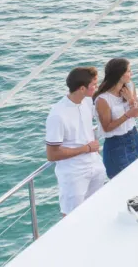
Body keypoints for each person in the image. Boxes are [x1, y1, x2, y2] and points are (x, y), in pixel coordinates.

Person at [45, 66, 106, 216]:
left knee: (97, 208)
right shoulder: (58, 115)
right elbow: (52, 155)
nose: (96, 87)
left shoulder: (87, 102)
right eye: (93, 85)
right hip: (74, 173)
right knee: (71, 216)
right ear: (82, 88)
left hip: (95, 164)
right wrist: (86, 148)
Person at [94, 58, 138, 178]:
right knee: (125, 181)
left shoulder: (129, 86)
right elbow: (107, 128)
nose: (131, 73)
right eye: (128, 71)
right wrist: (127, 115)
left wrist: (131, 100)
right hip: (117, 145)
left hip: (134, 138)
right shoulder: (103, 99)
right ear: (119, 74)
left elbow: (137, 112)